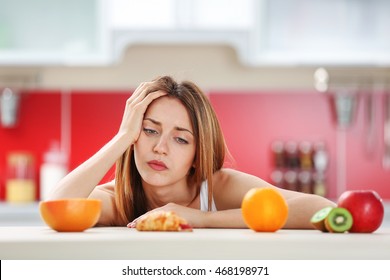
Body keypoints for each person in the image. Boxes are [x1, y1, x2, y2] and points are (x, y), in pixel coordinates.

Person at [49, 76, 335, 228]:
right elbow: (57, 207)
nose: (160, 148)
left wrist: (203, 219)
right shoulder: (118, 199)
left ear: (198, 155)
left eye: (181, 140)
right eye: (149, 131)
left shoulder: (219, 188)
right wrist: (123, 136)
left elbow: (321, 210)